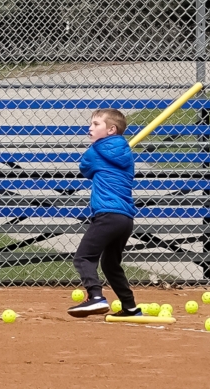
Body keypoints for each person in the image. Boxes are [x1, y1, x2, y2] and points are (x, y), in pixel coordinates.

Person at [67, 107, 141, 318]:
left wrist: (96, 150)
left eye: (96, 124)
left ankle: (96, 296)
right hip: (125, 218)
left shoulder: (94, 151)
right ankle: (130, 307)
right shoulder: (126, 152)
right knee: (110, 264)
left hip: (107, 214)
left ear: (111, 129)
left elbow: (85, 168)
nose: (90, 128)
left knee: (84, 258)